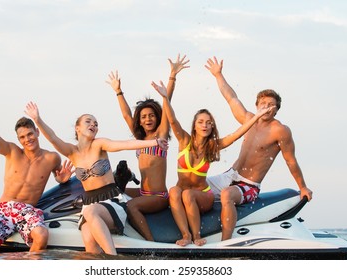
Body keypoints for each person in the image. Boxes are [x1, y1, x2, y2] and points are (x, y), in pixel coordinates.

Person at [24, 102, 168, 255]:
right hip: (89, 203)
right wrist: (37, 120)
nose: (93, 124)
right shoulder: (72, 152)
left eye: (96, 123)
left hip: (111, 200)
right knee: (89, 242)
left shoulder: (99, 144)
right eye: (88, 121)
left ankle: (113, 259)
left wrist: (154, 142)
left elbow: (124, 144)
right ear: (77, 128)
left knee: (91, 212)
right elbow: (53, 138)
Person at [151, 80, 274, 246]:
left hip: (203, 196)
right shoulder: (184, 140)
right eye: (201, 122)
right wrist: (165, 98)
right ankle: (185, 235)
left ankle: (196, 236)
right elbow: (172, 121)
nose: (205, 125)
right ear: (194, 125)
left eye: (209, 123)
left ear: (212, 127)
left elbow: (237, 134)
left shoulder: (213, 146)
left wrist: (257, 116)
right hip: (182, 192)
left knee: (187, 194)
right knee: (174, 191)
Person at [205, 56, 313, 240]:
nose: (266, 107)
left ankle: (225, 242)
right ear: (257, 106)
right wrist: (218, 75)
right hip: (230, 175)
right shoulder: (249, 120)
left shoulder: (280, 130)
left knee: (226, 195)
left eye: (271, 105)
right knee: (193, 187)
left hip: (249, 184)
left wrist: (302, 187)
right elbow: (231, 98)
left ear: (277, 110)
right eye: (263, 104)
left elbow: (290, 160)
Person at [0, 82, 73, 253]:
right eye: (22, 137)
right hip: (4, 209)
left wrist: (61, 179)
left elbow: (58, 175)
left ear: (37, 132)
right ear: (19, 139)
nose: (27, 139)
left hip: (27, 210)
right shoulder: (12, 151)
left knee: (41, 235)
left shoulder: (51, 158)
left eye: (30, 134)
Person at [105, 54, 190, 241]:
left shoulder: (160, 135)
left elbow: (168, 103)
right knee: (110, 192)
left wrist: (172, 77)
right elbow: (127, 116)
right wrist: (118, 92)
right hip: (142, 191)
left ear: (157, 117)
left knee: (132, 206)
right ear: (140, 121)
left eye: (151, 115)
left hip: (158, 196)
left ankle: (150, 243)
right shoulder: (140, 139)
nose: (148, 119)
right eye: (143, 117)